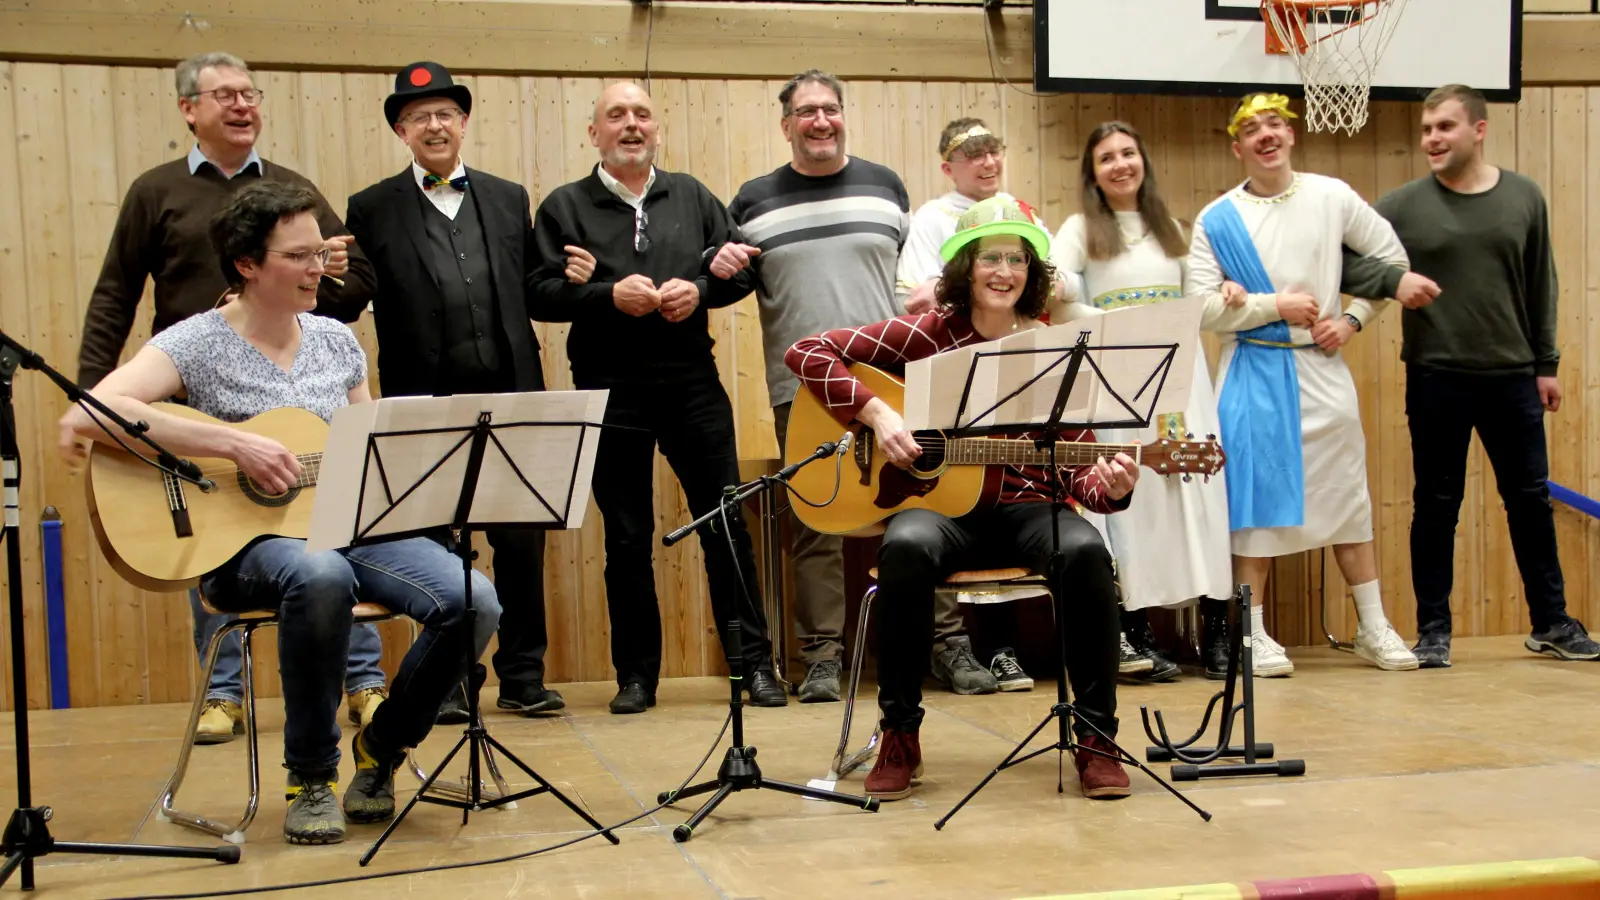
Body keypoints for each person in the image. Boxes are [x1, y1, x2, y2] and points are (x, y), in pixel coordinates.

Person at [59, 181, 501, 844]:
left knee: (475, 599)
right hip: (243, 548)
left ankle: (381, 750)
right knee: (319, 574)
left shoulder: (335, 339)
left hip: (345, 525)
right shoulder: (196, 343)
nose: (319, 268)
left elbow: (365, 443)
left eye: (320, 252)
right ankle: (311, 777)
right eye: (299, 256)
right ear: (247, 264)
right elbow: (94, 407)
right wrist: (231, 442)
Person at [73, 50, 386, 744]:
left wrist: (328, 269)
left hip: (296, 388)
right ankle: (225, 691)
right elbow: (116, 294)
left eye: (251, 93)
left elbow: (356, 284)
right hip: (191, 392)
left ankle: (365, 685)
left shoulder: (292, 188)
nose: (244, 105)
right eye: (226, 96)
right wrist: (91, 397)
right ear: (190, 109)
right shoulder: (155, 191)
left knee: (327, 521)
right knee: (214, 525)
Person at [785, 195, 1138, 801]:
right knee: (905, 548)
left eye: (1017, 260)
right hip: (935, 513)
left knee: (1085, 553)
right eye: (989, 258)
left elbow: (1079, 466)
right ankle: (899, 731)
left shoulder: (1056, 348)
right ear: (964, 268)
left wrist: (1109, 486)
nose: (1003, 271)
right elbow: (806, 352)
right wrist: (874, 414)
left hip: (1031, 511)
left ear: (1032, 274)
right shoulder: (928, 334)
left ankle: (1096, 733)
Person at [529, 81, 784, 714]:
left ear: (657, 129)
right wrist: (603, 296)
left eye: (642, 114)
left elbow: (740, 269)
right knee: (625, 537)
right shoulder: (565, 206)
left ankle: (753, 666)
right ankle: (636, 677)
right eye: (616, 115)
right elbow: (536, 293)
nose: (631, 124)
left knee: (725, 523)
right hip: (609, 390)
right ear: (595, 134)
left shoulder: (692, 194)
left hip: (692, 382)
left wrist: (702, 289)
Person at [1339, 85, 1598, 666]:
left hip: (1512, 377)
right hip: (1436, 377)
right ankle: (1433, 631)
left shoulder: (1525, 197)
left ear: (1478, 130)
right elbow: (1345, 258)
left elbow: (1541, 284)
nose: (1431, 138)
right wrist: (1392, 283)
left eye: (1445, 127)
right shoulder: (1403, 205)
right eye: (1427, 128)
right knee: (1436, 504)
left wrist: (1546, 364)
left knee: (1529, 500)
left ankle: (1551, 622)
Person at [346, 61, 565, 720]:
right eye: (420, 117)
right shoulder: (370, 206)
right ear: (401, 130)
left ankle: (523, 675)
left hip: (511, 396)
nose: (435, 125)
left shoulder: (506, 196)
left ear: (463, 123)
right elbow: (354, 292)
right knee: (437, 548)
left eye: (446, 113)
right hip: (423, 402)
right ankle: (450, 680)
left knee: (521, 542)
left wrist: (569, 270)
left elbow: (533, 282)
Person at [1186, 93, 1418, 676]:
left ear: (1290, 135)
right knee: (1254, 507)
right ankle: (1252, 633)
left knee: (1348, 499)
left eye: (1275, 125)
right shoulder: (1217, 219)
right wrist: (1272, 304)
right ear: (1237, 147)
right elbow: (1199, 306)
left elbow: (1389, 260)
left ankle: (1372, 625)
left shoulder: (1331, 196)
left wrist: (1355, 319)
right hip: (1252, 372)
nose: (1266, 135)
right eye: (1252, 129)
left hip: (1321, 369)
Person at [715, 70, 923, 703]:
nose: (820, 121)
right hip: (801, 388)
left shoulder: (886, 186)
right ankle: (824, 661)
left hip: (896, 383)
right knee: (816, 522)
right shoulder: (752, 201)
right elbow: (724, 279)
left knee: (919, 510)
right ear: (787, 126)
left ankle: (937, 647)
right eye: (806, 112)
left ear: (842, 116)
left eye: (830, 109)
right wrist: (712, 263)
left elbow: (909, 280)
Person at [1050, 121, 1233, 681]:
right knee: (1134, 501)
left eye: (1129, 152)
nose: (1121, 164)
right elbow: (1058, 306)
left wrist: (1229, 296)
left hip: (1182, 378)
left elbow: (1201, 306)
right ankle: (1136, 631)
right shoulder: (1080, 229)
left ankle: (1217, 630)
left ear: (1143, 161)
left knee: (1199, 497)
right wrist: (1129, 324)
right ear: (1093, 173)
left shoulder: (1174, 230)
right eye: (1107, 157)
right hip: (1119, 379)